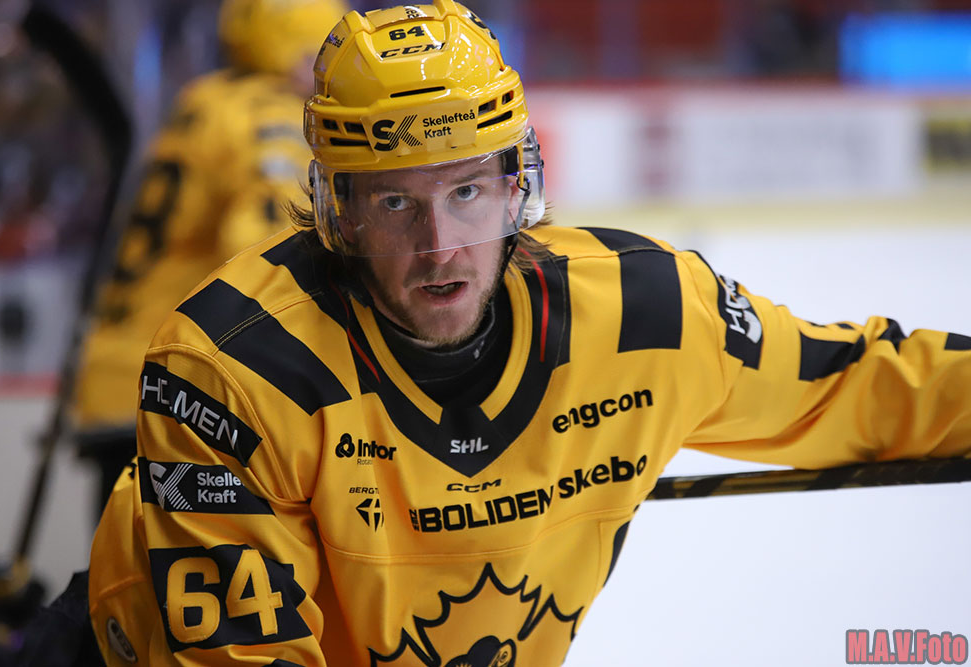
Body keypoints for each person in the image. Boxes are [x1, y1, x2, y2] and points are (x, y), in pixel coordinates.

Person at [87, 1, 971, 665]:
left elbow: (865, 384)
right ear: (340, 212)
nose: (440, 247)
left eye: (467, 190)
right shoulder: (234, 368)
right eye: (395, 202)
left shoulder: (651, 316)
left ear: (518, 186)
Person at [73, 0, 348, 516]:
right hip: (176, 390)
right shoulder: (269, 116)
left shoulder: (205, 98)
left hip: (117, 369)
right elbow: (266, 257)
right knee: (185, 566)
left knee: (125, 561)